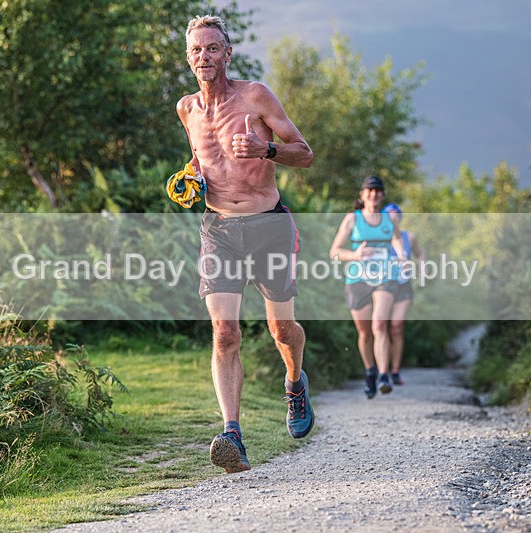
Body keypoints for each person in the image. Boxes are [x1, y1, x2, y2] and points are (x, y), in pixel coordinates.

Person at [176, 15, 315, 473]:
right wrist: (191, 176)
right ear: (189, 56)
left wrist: (266, 150)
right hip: (219, 229)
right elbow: (200, 157)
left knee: (281, 331)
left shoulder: (254, 96)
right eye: (197, 50)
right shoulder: (186, 109)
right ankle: (231, 433)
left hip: (269, 225)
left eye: (212, 48)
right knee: (224, 331)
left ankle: (295, 384)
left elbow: (305, 152)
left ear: (227, 53)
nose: (204, 57)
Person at [328, 176, 405, 399]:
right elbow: (334, 251)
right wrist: (354, 255)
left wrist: (401, 255)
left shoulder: (389, 219)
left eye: (377, 190)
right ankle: (370, 371)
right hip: (357, 279)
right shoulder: (353, 219)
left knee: (379, 325)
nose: (373, 194)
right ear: (362, 195)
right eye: (369, 190)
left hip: (385, 275)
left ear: (382, 195)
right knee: (364, 332)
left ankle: (383, 375)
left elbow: (397, 240)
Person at [383, 203, 424, 386]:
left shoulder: (410, 237)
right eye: (388, 217)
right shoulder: (378, 237)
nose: (393, 220)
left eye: (395, 216)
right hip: (382, 286)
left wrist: (422, 271)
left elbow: (420, 253)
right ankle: (382, 370)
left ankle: (395, 371)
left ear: (400, 218)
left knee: (397, 326)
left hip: (403, 285)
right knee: (380, 327)